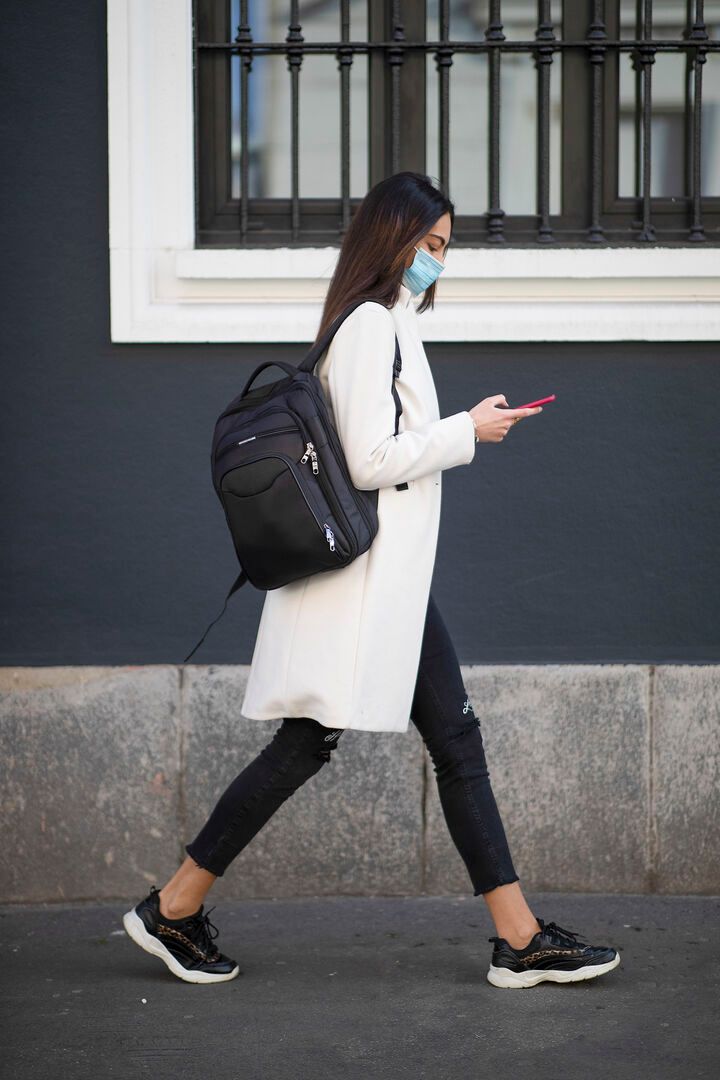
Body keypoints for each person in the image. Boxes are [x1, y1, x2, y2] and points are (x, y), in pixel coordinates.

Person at [123, 172, 620, 990]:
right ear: (390, 241)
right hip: (364, 585)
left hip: (387, 587)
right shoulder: (366, 327)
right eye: (428, 246)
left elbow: (383, 445)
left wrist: (459, 423)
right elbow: (368, 459)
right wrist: (467, 431)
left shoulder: (380, 324)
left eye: (444, 250)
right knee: (308, 742)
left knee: (454, 741)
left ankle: (519, 938)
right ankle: (173, 908)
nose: (436, 264)